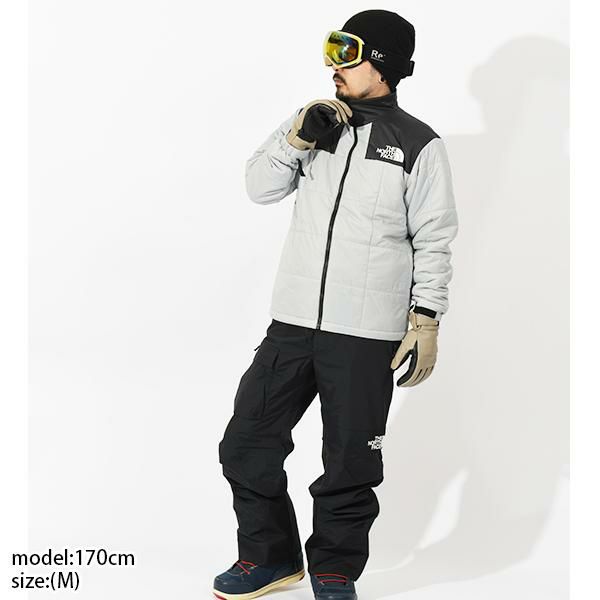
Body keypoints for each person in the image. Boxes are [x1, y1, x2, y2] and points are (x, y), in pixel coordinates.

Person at [213, 9, 458, 600]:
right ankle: (270, 559)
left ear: (384, 63)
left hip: (366, 333)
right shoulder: (314, 124)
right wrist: (296, 137)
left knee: (350, 461)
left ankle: (334, 568)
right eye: (332, 51)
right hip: (293, 323)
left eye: (348, 54)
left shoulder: (418, 144)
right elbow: (259, 188)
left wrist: (426, 318)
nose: (333, 66)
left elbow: (434, 236)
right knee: (246, 443)